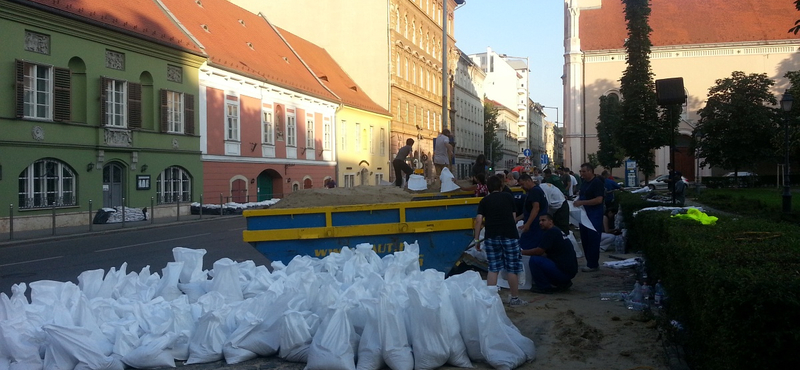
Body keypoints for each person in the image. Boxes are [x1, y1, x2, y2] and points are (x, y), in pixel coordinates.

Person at [473, 175, 526, 306]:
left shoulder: (484, 201)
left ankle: (490, 299)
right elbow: (513, 217)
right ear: (501, 186)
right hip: (509, 235)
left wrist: (477, 239)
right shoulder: (508, 197)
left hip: (491, 237)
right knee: (512, 269)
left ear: (488, 188)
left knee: (493, 267)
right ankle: (514, 299)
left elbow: (479, 220)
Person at [521, 214, 578, 294]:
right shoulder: (557, 231)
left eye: (543, 220)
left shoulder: (551, 232)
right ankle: (562, 282)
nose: (540, 223)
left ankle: (544, 287)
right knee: (542, 260)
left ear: (551, 221)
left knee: (535, 260)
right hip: (568, 271)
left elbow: (539, 251)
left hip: (564, 272)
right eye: (539, 221)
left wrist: (521, 252)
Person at [573, 163, 605, 272]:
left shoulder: (597, 183)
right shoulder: (584, 183)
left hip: (594, 214)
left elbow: (599, 200)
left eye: (584, 171)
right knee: (585, 239)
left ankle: (593, 264)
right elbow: (582, 195)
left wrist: (582, 202)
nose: (581, 174)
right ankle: (589, 262)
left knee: (593, 239)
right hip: (584, 214)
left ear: (590, 171)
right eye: (581, 171)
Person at [517, 173, 548, 251]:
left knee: (528, 246)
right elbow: (528, 211)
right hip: (533, 223)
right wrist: (517, 219)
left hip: (535, 224)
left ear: (528, 181)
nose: (522, 187)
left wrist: (528, 224)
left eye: (522, 184)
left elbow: (535, 208)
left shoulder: (535, 191)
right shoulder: (533, 191)